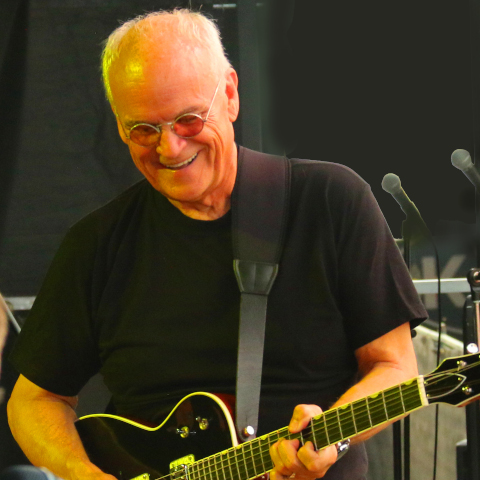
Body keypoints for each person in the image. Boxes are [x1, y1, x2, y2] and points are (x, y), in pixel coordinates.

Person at [7, 9, 427, 480]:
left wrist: (334, 433)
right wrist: (84, 474)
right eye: (143, 129)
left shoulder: (331, 202)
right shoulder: (97, 244)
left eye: (187, 120)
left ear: (229, 94)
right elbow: (34, 398)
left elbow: (395, 367)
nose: (169, 148)